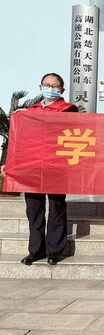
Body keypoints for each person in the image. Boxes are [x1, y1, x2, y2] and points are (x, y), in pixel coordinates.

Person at [0, 73, 78, 265]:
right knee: (34, 208)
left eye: (55, 86)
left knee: (57, 206)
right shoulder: (30, 111)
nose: (50, 88)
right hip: (32, 166)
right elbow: (18, 140)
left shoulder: (69, 109)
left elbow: (63, 131)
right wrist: (9, 163)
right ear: (40, 87)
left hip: (57, 165)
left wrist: (31, 118)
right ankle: (36, 250)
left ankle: (55, 250)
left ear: (62, 90)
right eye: (47, 85)